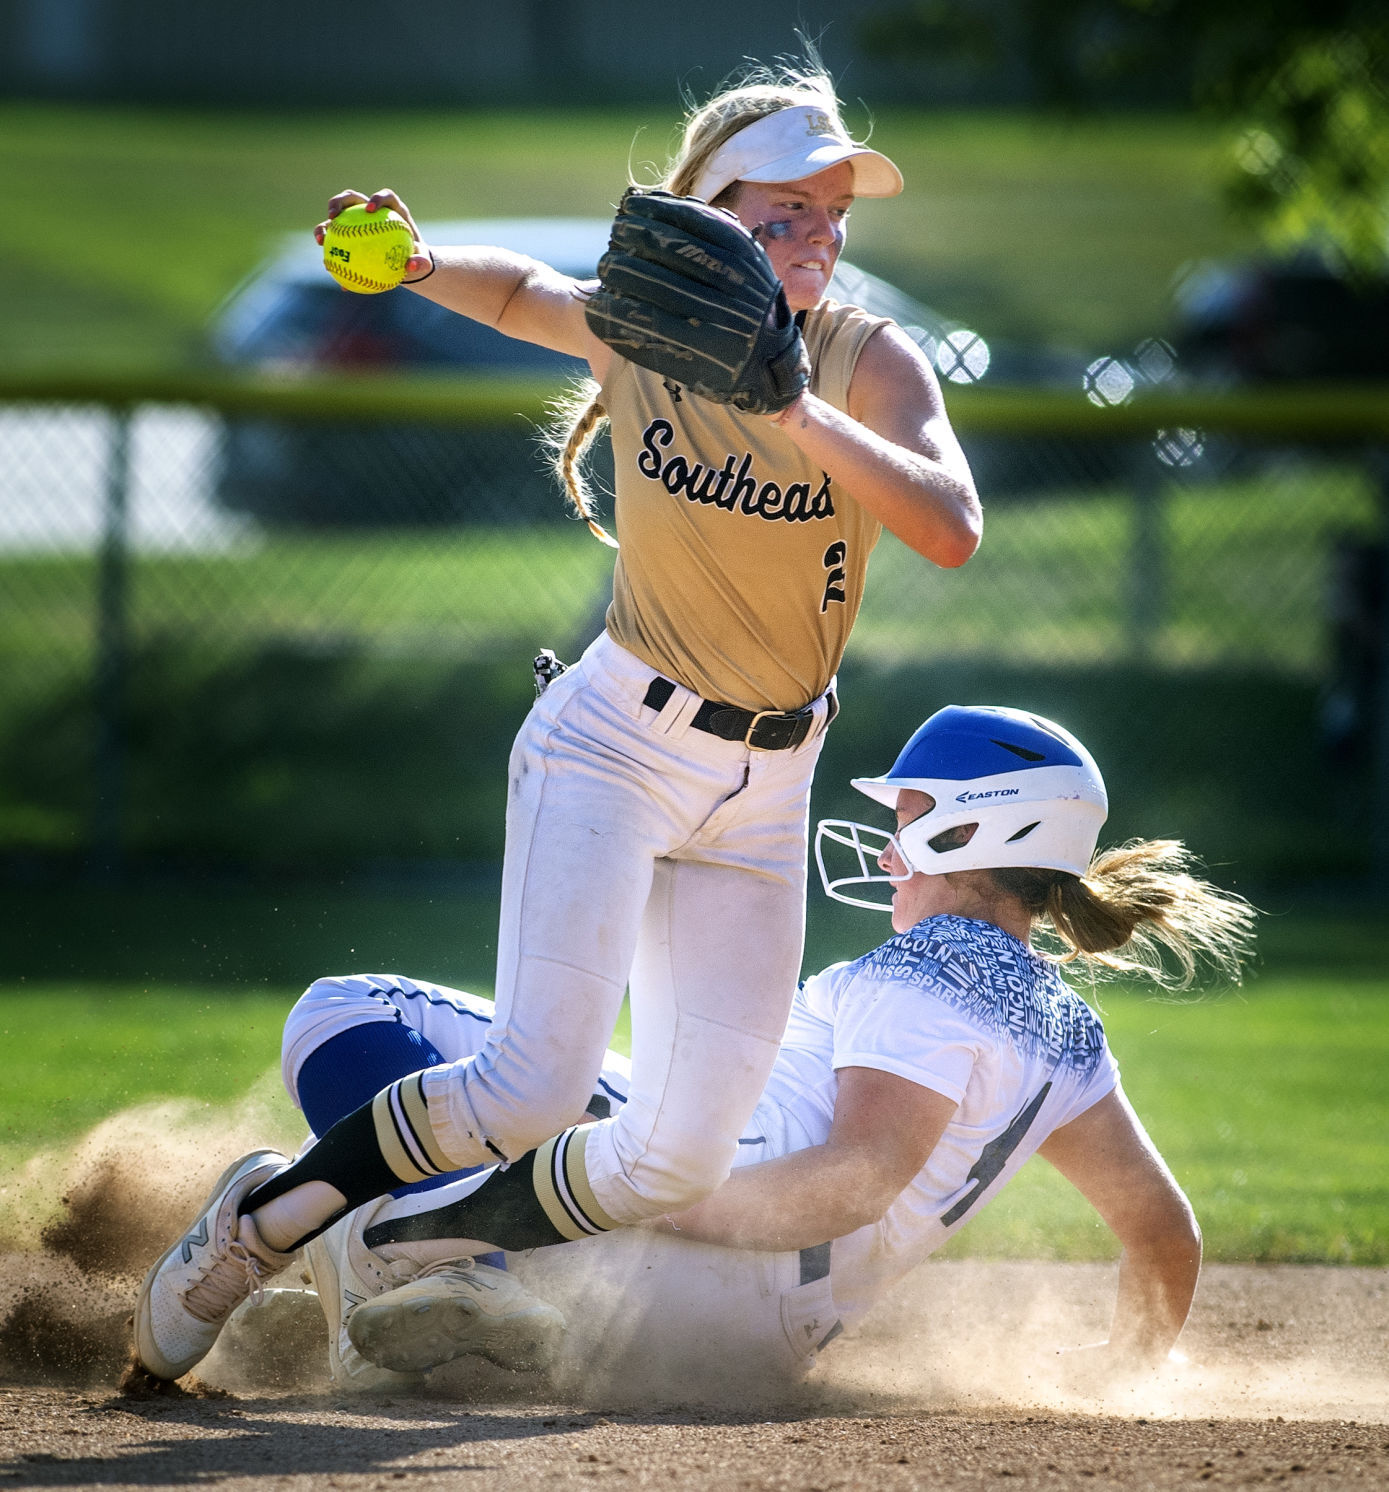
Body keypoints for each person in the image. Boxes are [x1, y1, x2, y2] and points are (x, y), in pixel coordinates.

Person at [130, 59, 982, 1385]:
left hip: (765, 795)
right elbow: (525, 294)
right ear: (705, 227)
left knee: (677, 1151)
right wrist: (414, 266)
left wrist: (790, 404)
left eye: (831, 215)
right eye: (780, 215)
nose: (816, 238)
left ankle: (405, 1234)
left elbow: (950, 525)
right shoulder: (644, 335)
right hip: (614, 747)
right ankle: (264, 1222)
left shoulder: (867, 360)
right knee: (531, 1082)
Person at [222, 704, 1255, 1394]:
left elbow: (855, 1180)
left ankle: (417, 1266)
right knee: (543, 1128)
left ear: (971, 832)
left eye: (910, 817)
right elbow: (1165, 1237)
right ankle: (412, 1298)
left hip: (680, 1250)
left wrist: (630, 1185)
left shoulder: (925, 972)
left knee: (341, 1012)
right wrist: (1117, 1380)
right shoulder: (1069, 1029)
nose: (890, 846)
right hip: (736, 1353)